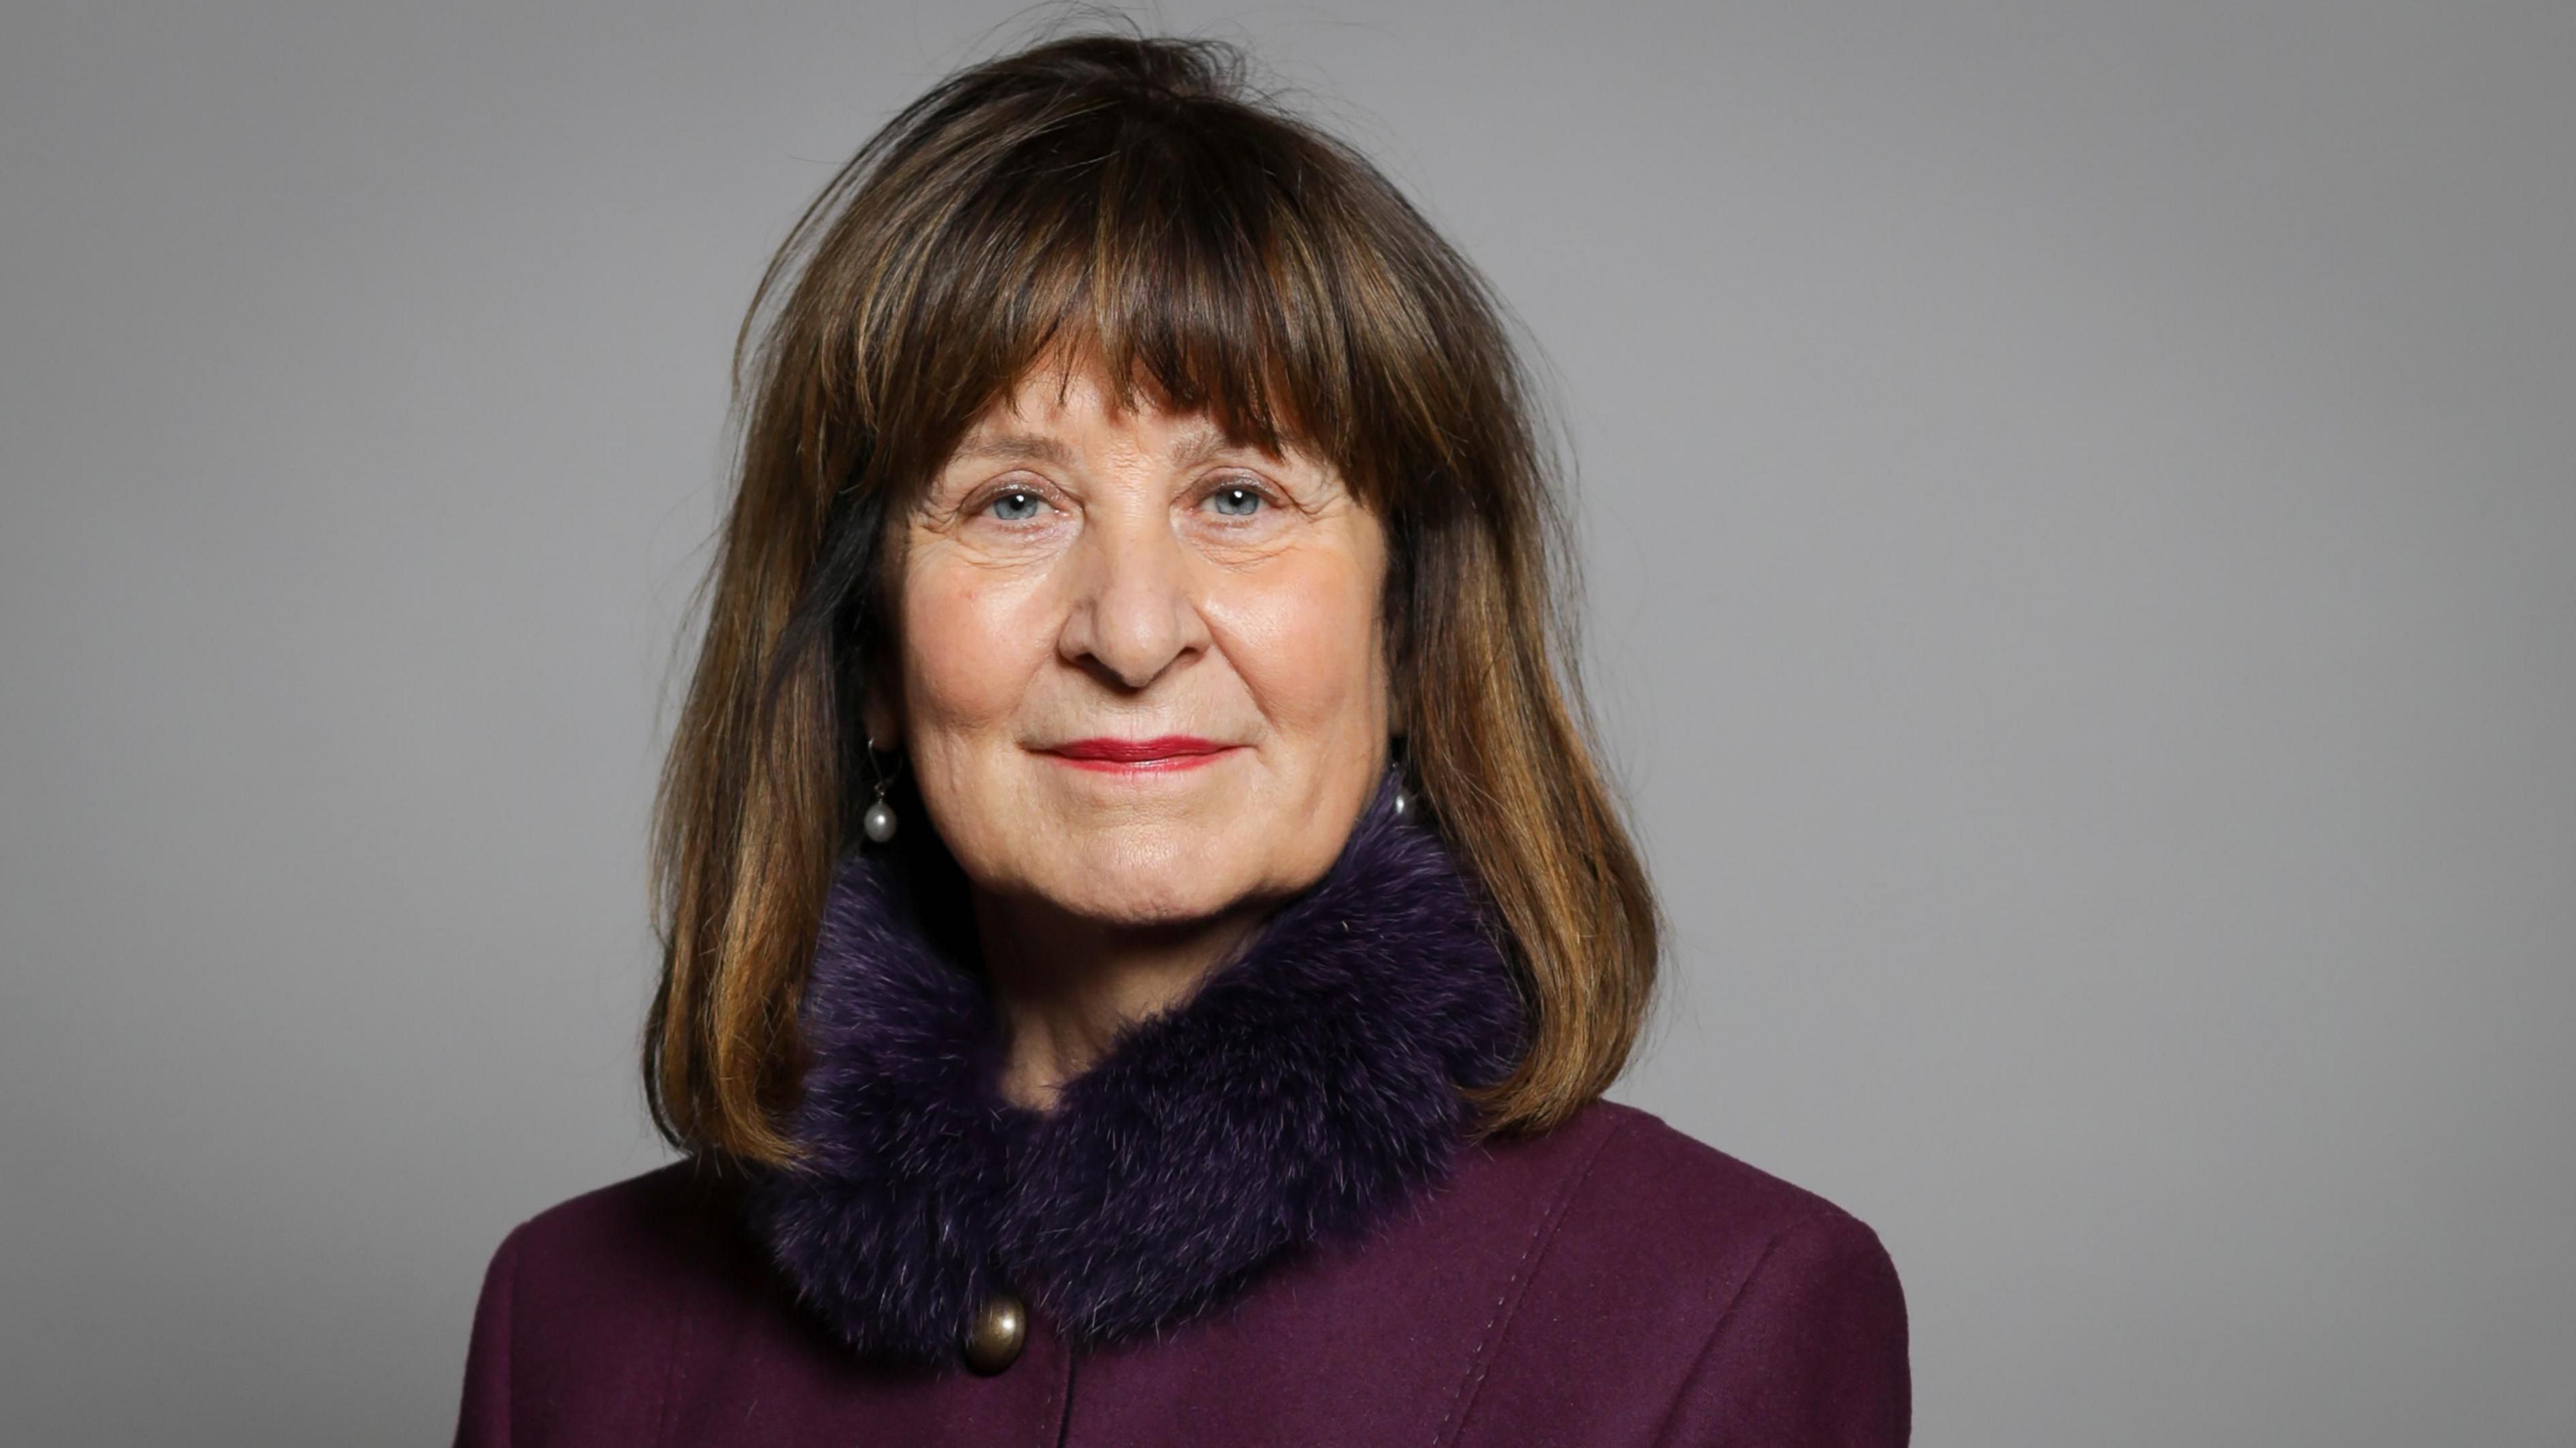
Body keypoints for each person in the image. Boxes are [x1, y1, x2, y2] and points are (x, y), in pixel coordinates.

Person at [449, 27, 1909, 1447]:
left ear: (1406, 633)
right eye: (1015, 501)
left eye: (1240, 497)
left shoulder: (1724, 1313)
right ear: (870, 652)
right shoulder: (567, 1330)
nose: (1135, 633)